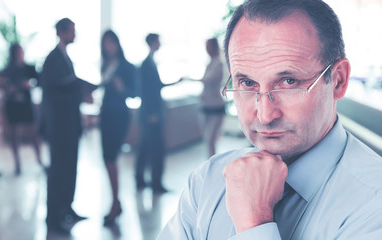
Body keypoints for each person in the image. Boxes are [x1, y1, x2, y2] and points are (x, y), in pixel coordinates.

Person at [157, 0, 382, 239]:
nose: (264, 115)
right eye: (247, 83)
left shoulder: (374, 203)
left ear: (338, 80)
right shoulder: (207, 180)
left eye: (289, 82)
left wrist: (254, 223)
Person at [40, 18, 93, 234]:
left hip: (70, 124)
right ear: (61, 32)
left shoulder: (65, 57)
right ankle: (53, 216)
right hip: (59, 126)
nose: (75, 34)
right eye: (72, 30)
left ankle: (66, 208)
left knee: (70, 167)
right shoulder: (52, 59)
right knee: (58, 170)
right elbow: (53, 92)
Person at [99, 30, 136, 226]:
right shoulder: (105, 64)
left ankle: (115, 203)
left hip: (119, 116)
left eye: (111, 42)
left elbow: (135, 93)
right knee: (106, 158)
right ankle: (115, 201)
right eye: (105, 43)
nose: (108, 47)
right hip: (105, 115)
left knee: (111, 157)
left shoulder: (127, 66)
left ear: (117, 43)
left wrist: (123, 89)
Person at [135, 33, 181, 193]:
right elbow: (146, 91)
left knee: (146, 147)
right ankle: (155, 183)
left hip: (151, 113)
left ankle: (141, 179)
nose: (160, 43)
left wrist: (175, 82)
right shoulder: (146, 64)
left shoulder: (150, 62)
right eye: (158, 41)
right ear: (152, 42)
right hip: (151, 114)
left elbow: (156, 86)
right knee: (155, 149)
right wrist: (150, 114)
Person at [0, 43, 45, 176]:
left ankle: (39, 160)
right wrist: (8, 87)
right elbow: (0, 82)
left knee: (33, 133)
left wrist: (29, 84)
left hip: (25, 104)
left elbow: (39, 81)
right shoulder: (7, 70)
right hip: (13, 105)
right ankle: (17, 163)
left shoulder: (29, 68)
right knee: (14, 134)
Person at [180, 37, 226, 158]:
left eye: (208, 46)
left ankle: (213, 163)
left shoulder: (219, 64)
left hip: (216, 106)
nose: (207, 49)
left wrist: (189, 78)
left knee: (210, 138)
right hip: (206, 105)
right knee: (207, 138)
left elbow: (208, 80)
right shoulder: (210, 63)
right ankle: (210, 162)